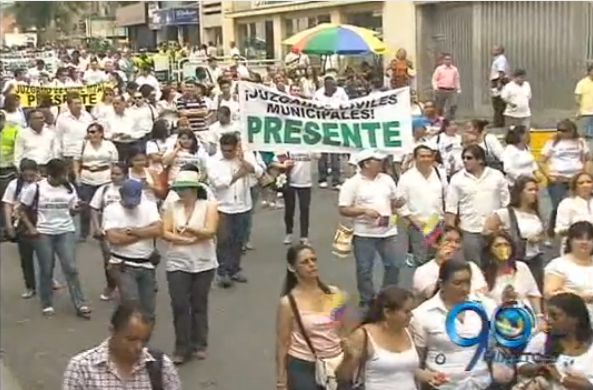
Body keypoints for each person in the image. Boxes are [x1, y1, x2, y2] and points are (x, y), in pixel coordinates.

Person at [19, 158, 90, 318]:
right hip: (43, 231)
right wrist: (31, 228)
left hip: (65, 230)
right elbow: (21, 209)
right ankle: (47, 303)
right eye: (60, 176)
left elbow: (71, 210)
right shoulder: (36, 188)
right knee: (46, 268)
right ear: (50, 175)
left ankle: (80, 303)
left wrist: (77, 209)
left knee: (71, 268)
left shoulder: (69, 188)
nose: (63, 178)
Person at [337, 286, 448, 389]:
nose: (411, 315)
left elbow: (406, 369)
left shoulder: (409, 331)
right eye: (406, 311)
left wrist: (428, 376)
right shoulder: (363, 336)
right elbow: (342, 376)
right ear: (387, 312)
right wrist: (349, 358)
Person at [410, 259, 495, 390]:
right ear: (442, 284)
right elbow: (417, 359)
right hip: (444, 386)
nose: (465, 288)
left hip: (480, 383)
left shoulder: (486, 306)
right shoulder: (422, 314)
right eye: (457, 283)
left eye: (468, 282)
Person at [162, 171, 218, 365]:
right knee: (179, 304)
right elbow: (166, 232)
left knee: (198, 303)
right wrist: (183, 240)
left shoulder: (209, 206)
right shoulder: (172, 207)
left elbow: (210, 231)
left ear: (194, 190)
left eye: (184, 189)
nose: (180, 193)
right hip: (177, 261)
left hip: (203, 261)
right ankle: (181, 346)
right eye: (178, 189)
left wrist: (192, 231)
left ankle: (199, 343)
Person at [338, 150, 405, 308]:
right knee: (364, 270)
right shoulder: (352, 184)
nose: (382, 163)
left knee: (393, 265)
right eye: (377, 160)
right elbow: (344, 208)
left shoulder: (387, 179)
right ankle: (367, 300)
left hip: (388, 231)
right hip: (364, 233)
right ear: (366, 163)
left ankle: (387, 297)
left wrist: (398, 203)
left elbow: (393, 201)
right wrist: (363, 211)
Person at [63, 303, 181, 389]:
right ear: (113, 331)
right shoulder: (81, 368)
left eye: (144, 340)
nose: (138, 347)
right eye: (131, 339)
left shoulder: (161, 366)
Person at [275, 244, 345, 390]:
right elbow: (283, 343)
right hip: (303, 364)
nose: (311, 264)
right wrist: (282, 379)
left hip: (335, 361)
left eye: (313, 260)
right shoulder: (289, 303)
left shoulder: (334, 293)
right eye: (305, 262)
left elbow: (342, 328)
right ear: (292, 268)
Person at [207, 133, 263, 287]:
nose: (228, 153)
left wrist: (245, 162)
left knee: (239, 240)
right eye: (225, 150)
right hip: (223, 206)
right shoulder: (213, 162)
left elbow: (259, 172)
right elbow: (219, 183)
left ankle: (234, 269)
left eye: (231, 150)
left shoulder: (246, 156)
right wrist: (238, 175)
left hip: (243, 205)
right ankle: (222, 271)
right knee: (224, 240)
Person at [103, 179, 162, 318]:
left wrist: (132, 231)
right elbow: (114, 239)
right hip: (122, 264)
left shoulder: (149, 206)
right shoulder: (111, 209)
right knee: (130, 302)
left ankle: (143, 338)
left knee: (148, 309)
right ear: (121, 194)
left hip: (146, 263)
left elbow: (159, 229)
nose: (131, 205)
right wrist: (144, 232)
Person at [445, 144, 510, 265]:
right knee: (474, 266)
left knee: (497, 264)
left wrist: (505, 226)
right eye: (463, 158)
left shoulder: (497, 176)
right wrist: (451, 230)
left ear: (480, 160)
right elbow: (451, 207)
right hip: (469, 230)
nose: (465, 161)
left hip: (494, 230)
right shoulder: (457, 179)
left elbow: (506, 202)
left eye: (469, 158)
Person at [516, 293, 593, 389]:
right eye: (547, 315)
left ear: (575, 318)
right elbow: (521, 365)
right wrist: (538, 367)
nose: (549, 320)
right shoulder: (543, 339)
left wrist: (561, 377)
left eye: (554, 316)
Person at [484, 176, 545, 291]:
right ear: (520, 192)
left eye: (536, 190)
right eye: (530, 190)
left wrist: (538, 238)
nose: (534, 193)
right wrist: (504, 236)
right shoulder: (506, 213)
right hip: (514, 258)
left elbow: (542, 233)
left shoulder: (535, 214)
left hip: (534, 259)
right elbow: (487, 231)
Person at [397, 144, 448, 265]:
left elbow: (447, 196)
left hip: (438, 223)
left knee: (440, 258)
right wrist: (412, 219)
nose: (426, 159)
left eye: (429, 156)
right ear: (415, 158)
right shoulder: (406, 178)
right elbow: (399, 203)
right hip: (418, 225)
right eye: (422, 156)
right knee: (421, 260)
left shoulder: (440, 174)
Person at [540, 119, 589, 240]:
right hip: (558, 178)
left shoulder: (580, 142)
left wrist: (585, 173)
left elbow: (587, 158)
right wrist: (548, 175)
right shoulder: (552, 143)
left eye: (565, 131)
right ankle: (552, 232)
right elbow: (541, 161)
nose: (563, 133)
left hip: (576, 177)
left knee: (578, 204)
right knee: (558, 205)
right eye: (560, 130)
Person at [412, 226, 487, 302]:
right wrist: (444, 263)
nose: (454, 245)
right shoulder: (423, 271)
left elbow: (481, 293)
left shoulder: (472, 267)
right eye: (448, 241)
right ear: (436, 244)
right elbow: (434, 296)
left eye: (457, 242)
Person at [73, 122, 118, 241]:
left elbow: (114, 163)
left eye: (93, 132)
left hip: (104, 178)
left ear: (101, 133)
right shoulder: (83, 144)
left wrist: (114, 177)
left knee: (104, 206)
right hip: (87, 177)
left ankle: (104, 230)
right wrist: (77, 176)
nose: (90, 135)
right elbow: (76, 161)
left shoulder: (109, 145)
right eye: (88, 132)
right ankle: (84, 233)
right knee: (85, 206)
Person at [90, 163, 128, 301]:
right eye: (113, 173)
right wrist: (97, 227)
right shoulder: (104, 189)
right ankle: (111, 286)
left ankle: (126, 288)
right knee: (109, 262)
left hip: (126, 231)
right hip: (107, 231)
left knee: (126, 261)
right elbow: (94, 208)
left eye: (118, 174)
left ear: (125, 175)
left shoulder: (130, 188)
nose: (114, 177)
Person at [481, 231, 543, 316]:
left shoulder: (521, 267)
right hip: (498, 319)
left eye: (506, 245)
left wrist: (539, 316)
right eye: (498, 245)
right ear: (490, 249)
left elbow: (533, 295)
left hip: (526, 317)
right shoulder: (483, 274)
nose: (503, 249)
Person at [2, 158, 38, 298]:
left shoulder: (42, 184)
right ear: (21, 173)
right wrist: (8, 225)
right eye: (26, 175)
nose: (29, 178)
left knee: (46, 256)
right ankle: (30, 286)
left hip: (41, 223)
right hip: (21, 225)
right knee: (26, 258)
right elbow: (7, 204)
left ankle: (48, 279)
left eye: (32, 175)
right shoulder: (14, 185)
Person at [545, 221, 593, 324]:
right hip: (571, 321)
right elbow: (550, 294)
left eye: (589, 239)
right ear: (570, 241)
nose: (584, 242)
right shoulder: (558, 265)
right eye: (579, 238)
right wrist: (583, 297)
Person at [314, 74, 349, 190]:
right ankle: (322, 178)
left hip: (336, 127)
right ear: (325, 86)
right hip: (322, 127)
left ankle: (336, 180)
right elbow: (313, 108)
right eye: (330, 86)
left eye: (334, 86)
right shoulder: (318, 94)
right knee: (323, 155)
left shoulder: (341, 92)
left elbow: (347, 105)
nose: (333, 88)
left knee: (335, 155)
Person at [276, 151, 315, 246]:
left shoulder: (311, 146)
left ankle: (304, 236)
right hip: (290, 182)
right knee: (289, 209)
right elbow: (278, 160)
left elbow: (319, 155)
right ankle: (289, 233)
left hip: (306, 182)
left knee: (305, 209)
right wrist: (284, 164)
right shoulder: (289, 146)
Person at [555, 172, 593, 240]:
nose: (585, 185)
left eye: (589, 182)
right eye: (581, 183)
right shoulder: (567, 203)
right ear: (575, 186)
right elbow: (560, 229)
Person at [107, 95, 143, 163]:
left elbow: (141, 131)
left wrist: (130, 135)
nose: (115, 106)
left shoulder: (134, 115)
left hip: (132, 145)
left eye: (117, 103)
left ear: (124, 103)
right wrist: (111, 135)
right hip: (116, 145)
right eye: (113, 104)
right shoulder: (109, 117)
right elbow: (105, 132)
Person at [431, 53, 461, 120]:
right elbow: (434, 79)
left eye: (449, 59)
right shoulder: (439, 69)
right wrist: (435, 87)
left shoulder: (454, 69)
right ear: (443, 60)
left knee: (453, 105)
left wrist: (458, 88)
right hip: (441, 89)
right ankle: (439, 119)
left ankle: (450, 119)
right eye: (446, 59)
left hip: (451, 90)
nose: (448, 61)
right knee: (440, 106)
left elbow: (456, 79)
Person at [490, 45, 510, 128]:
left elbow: (501, 72)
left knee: (498, 103)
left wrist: (499, 82)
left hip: (499, 81)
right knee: (497, 103)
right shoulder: (498, 59)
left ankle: (498, 123)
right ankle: (498, 122)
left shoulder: (501, 59)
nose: (493, 51)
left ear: (500, 51)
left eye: (495, 49)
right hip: (497, 81)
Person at [575, 64, 593, 139]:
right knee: (585, 135)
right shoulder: (582, 83)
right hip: (586, 113)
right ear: (589, 72)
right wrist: (578, 110)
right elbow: (577, 97)